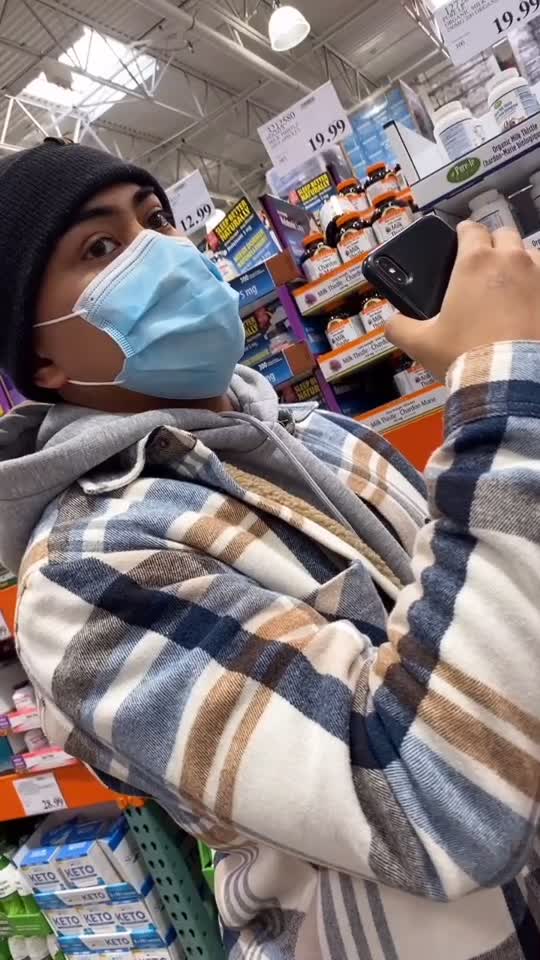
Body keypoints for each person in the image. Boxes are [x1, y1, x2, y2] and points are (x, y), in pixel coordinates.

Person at [0, 140, 539, 960]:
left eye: (157, 219)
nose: (163, 252)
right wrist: (503, 397)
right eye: (101, 247)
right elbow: (431, 804)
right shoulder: (83, 573)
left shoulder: (328, 437)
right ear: (40, 357)